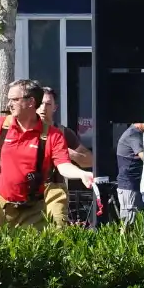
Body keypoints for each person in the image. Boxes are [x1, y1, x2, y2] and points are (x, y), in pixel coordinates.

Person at [0, 79, 94, 230]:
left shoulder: (53, 135)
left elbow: (63, 166)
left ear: (31, 102)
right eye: (9, 99)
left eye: (15, 100)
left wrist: (81, 174)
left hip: (33, 207)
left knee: (41, 249)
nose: (9, 104)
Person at [39, 86, 94, 225]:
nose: (43, 108)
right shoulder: (23, 131)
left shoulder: (63, 132)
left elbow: (90, 160)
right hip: (27, 190)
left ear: (55, 108)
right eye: (40, 103)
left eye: (48, 104)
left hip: (54, 188)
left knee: (57, 229)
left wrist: (70, 154)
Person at [116, 123, 144, 225]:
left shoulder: (135, 133)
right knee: (129, 223)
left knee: (136, 223)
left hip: (133, 185)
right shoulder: (133, 134)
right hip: (129, 186)